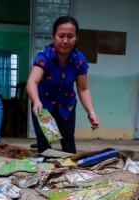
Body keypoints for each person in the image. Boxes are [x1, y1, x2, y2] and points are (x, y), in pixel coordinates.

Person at [26, 16, 99, 154]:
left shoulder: (79, 60)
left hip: (66, 105)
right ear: (54, 36)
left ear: (76, 37)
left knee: (69, 145)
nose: (65, 41)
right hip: (43, 107)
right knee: (45, 145)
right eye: (61, 36)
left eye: (70, 36)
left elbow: (83, 89)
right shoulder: (44, 57)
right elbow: (32, 82)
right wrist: (36, 101)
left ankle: (69, 173)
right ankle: (46, 172)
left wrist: (91, 113)